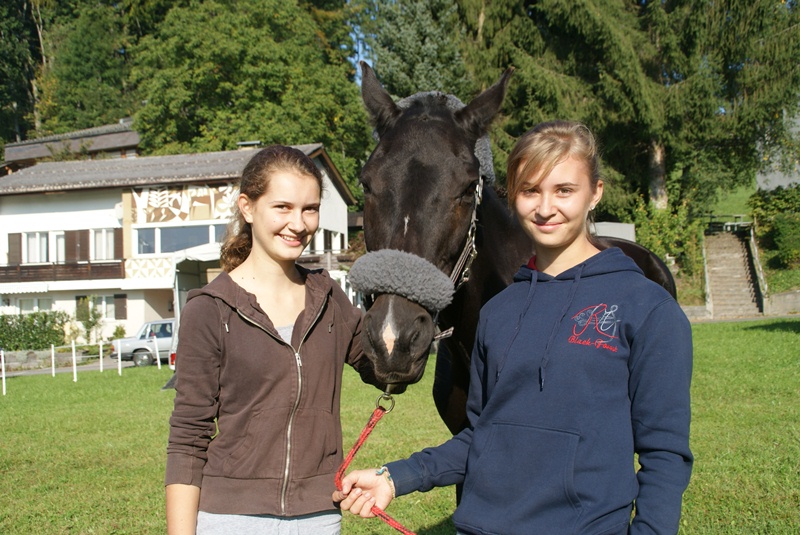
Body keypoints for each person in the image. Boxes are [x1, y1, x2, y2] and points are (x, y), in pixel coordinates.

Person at [333, 121, 693, 534]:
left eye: (564, 190)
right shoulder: (499, 312)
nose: (545, 208)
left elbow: (665, 455)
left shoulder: (647, 308)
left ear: (595, 193)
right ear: (511, 196)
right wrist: (396, 477)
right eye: (530, 190)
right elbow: (481, 436)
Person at [165, 145, 381, 535]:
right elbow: (187, 439)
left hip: (318, 516)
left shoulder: (329, 298)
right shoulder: (209, 309)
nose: (298, 224)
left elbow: (387, 368)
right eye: (282, 207)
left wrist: (409, 298)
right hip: (232, 518)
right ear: (247, 207)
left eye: (310, 209)